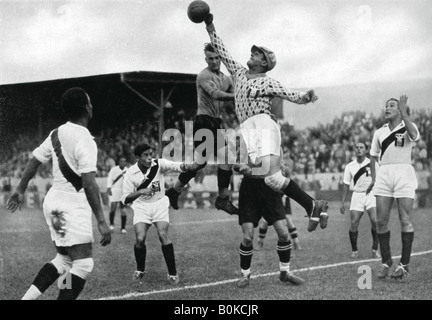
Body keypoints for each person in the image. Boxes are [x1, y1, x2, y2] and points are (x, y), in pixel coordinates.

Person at [201, 13, 329, 232]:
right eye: (253, 51)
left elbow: (289, 93)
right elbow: (222, 50)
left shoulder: (268, 82)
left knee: (270, 177)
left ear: (264, 62)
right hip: (248, 129)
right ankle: (314, 205)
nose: (252, 54)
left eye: (257, 53)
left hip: (263, 125)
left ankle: (314, 206)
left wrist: (305, 97)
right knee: (272, 180)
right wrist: (209, 25)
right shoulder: (239, 73)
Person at [6, 87, 112, 300]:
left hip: (53, 203)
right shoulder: (85, 140)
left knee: (64, 260)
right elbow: (89, 184)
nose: (92, 106)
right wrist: (102, 220)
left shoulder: (56, 133)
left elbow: (35, 159)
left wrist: (20, 189)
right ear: (86, 108)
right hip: (72, 204)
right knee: (83, 264)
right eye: (89, 102)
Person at [165, 43, 238, 215]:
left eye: (216, 58)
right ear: (206, 59)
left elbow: (235, 89)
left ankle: (174, 190)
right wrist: (236, 96)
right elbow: (215, 94)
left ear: (221, 58)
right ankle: (223, 200)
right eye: (210, 58)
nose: (214, 61)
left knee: (200, 163)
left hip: (215, 122)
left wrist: (242, 92)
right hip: (203, 122)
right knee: (227, 157)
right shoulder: (203, 76)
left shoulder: (226, 78)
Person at [122, 143, 201, 285]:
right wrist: (140, 192)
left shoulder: (159, 164)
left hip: (160, 204)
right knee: (140, 239)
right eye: (145, 155)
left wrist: (189, 166)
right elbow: (125, 199)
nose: (149, 158)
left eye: (150, 154)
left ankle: (172, 274)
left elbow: (177, 166)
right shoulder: (130, 173)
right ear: (137, 157)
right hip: (141, 206)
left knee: (163, 235)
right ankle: (140, 269)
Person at [367, 95, 419, 280]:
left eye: (391, 106)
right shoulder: (379, 132)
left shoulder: (408, 126)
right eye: (386, 105)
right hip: (384, 175)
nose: (386, 108)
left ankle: (404, 265)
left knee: (405, 219)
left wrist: (405, 114)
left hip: (404, 173)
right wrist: (374, 178)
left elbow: (414, 136)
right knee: (381, 221)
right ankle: (386, 261)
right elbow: (373, 156)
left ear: (399, 110)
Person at [234, 163, 304, 288]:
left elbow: (281, 163)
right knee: (247, 237)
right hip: (249, 189)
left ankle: (285, 272)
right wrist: (240, 166)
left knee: (283, 233)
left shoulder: (274, 144)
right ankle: (245, 275)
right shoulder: (246, 144)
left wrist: (281, 169)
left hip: (270, 187)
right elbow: (234, 162)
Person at [340, 141, 380, 259]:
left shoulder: (372, 163)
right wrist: (342, 202)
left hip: (371, 194)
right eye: (356, 147)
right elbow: (346, 184)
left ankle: (375, 249)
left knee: (375, 220)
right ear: (354, 149)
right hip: (357, 195)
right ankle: (354, 250)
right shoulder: (349, 166)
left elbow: (378, 179)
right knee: (353, 223)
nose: (359, 149)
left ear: (366, 150)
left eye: (361, 147)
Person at [106, 155, 128, 233]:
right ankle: (111, 225)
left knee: (123, 210)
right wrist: (109, 188)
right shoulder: (114, 169)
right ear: (119, 162)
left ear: (126, 162)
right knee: (113, 208)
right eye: (121, 161)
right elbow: (109, 178)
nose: (123, 162)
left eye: (124, 161)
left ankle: (123, 228)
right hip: (114, 190)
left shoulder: (127, 170)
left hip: (123, 191)